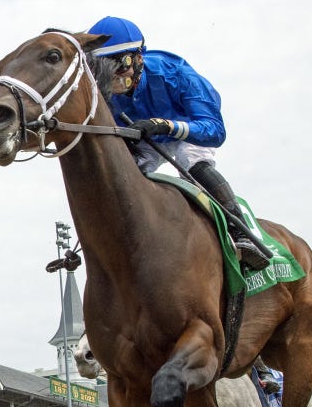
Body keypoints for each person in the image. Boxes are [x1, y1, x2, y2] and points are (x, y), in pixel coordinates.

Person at [87, 15, 270, 273]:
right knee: (121, 173)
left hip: (187, 129)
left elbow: (215, 131)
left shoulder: (176, 74)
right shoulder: (103, 93)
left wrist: (167, 126)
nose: (114, 78)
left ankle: (241, 233)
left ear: (139, 57)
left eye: (120, 65)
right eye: (103, 68)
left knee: (190, 160)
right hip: (147, 139)